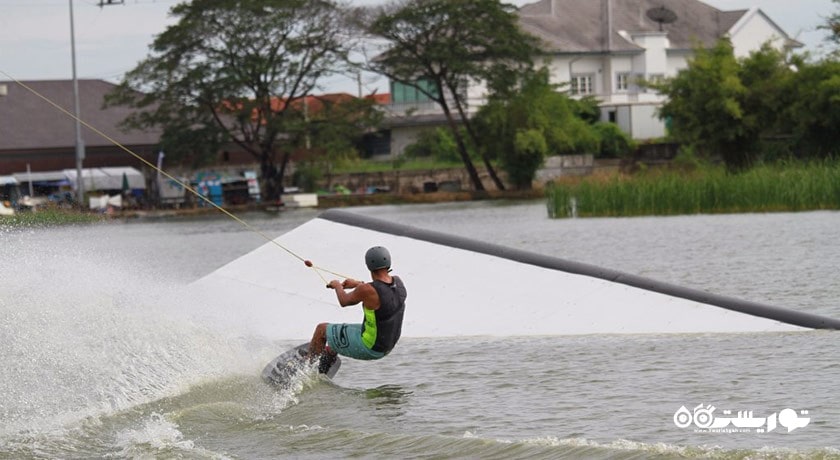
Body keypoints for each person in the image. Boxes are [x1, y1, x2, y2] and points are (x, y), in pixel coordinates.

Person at [308, 246, 407, 373]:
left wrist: (337, 286)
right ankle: (325, 362)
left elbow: (344, 301)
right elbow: (380, 292)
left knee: (322, 330)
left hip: (370, 346)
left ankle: (306, 369)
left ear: (368, 265)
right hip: (387, 344)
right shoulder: (398, 282)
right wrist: (357, 284)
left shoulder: (367, 290)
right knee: (334, 337)